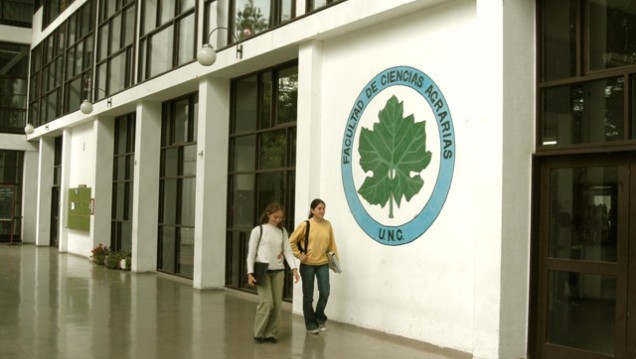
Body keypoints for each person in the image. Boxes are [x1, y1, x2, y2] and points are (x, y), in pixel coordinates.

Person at [246, 203, 300, 344]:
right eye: (276, 217)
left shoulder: (282, 232)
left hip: (278, 271)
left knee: (277, 305)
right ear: (268, 214)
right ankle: (258, 333)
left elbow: (287, 251)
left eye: (280, 218)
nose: (278, 220)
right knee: (266, 302)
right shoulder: (258, 230)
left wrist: (294, 269)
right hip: (262, 271)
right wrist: (250, 273)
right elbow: (251, 253)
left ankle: (271, 334)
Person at [289, 198, 339, 334]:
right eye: (319, 208)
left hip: (322, 263)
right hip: (308, 265)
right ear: (312, 210)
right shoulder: (306, 225)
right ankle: (311, 324)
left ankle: (319, 317)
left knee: (325, 292)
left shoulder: (327, 225)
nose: (322, 211)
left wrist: (335, 263)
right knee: (308, 297)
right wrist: (299, 255)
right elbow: (291, 241)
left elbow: (331, 244)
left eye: (323, 208)